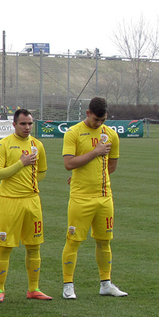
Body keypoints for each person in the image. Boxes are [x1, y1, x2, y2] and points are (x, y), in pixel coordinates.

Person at [61, 97, 127, 299]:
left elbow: (112, 166)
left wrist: (93, 172)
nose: (99, 124)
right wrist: (96, 152)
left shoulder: (111, 135)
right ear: (88, 113)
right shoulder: (73, 133)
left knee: (104, 241)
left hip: (105, 197)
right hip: (81, 198)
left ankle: (106, 284)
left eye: (103, 120)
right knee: (73, 240)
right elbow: (69, 164)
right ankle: (68, 285)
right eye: (96, 119)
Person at [0, 109, 52, 302]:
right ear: (14, 125)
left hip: (32, 201)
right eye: (23, 124)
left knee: (34, 245)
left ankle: (33, 288)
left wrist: (30, 182)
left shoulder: (38, 145)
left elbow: (41, 172)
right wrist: (21, 163)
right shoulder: (4, 144)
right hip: (9, 201)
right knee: (5, 246)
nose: (27, 127)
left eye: (30, 124)